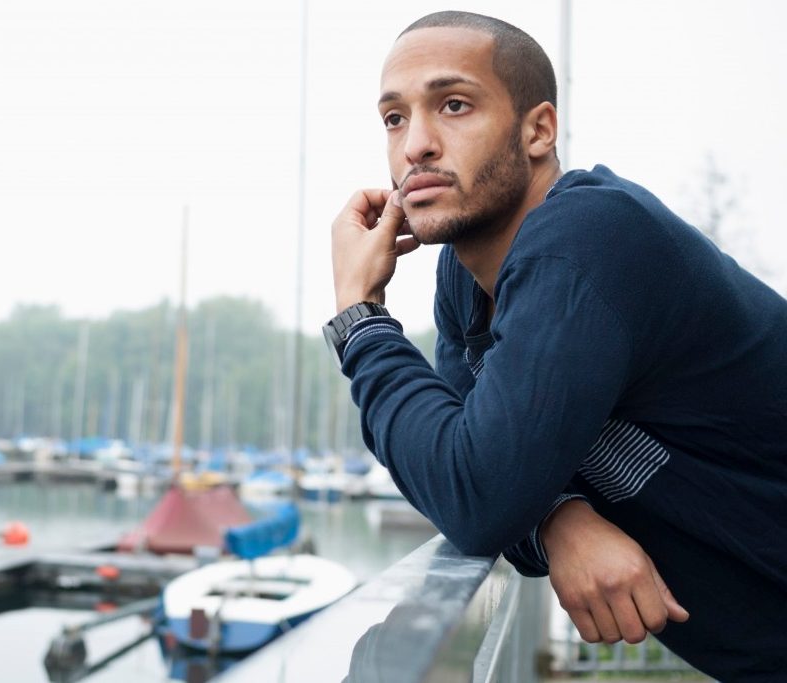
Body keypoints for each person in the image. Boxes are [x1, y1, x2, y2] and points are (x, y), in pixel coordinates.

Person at [323, 10, 787, 680]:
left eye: (453, 105)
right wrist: (556, 517)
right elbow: (461, 455)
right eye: (394, 118)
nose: (415, 145)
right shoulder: (464, 280)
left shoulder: (589, 242)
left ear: (538, 129)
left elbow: (474, 492)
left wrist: (359, 318)